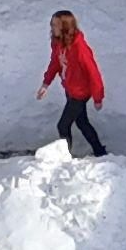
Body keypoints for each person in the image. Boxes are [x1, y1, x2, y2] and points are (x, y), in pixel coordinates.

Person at [38, 10, 106, 157]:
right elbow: (55, 63)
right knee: (82, 122)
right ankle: (100, 151)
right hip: (70, 89)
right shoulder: (58, 43)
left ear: (65, 26)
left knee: (63, 125)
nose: (52, 27)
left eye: (55, 25)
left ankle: (65, 157)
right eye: (52, 24)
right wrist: (46, 84)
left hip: (80, 93)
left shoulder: (79, 48)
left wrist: (98, 97)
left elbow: (93, 73)